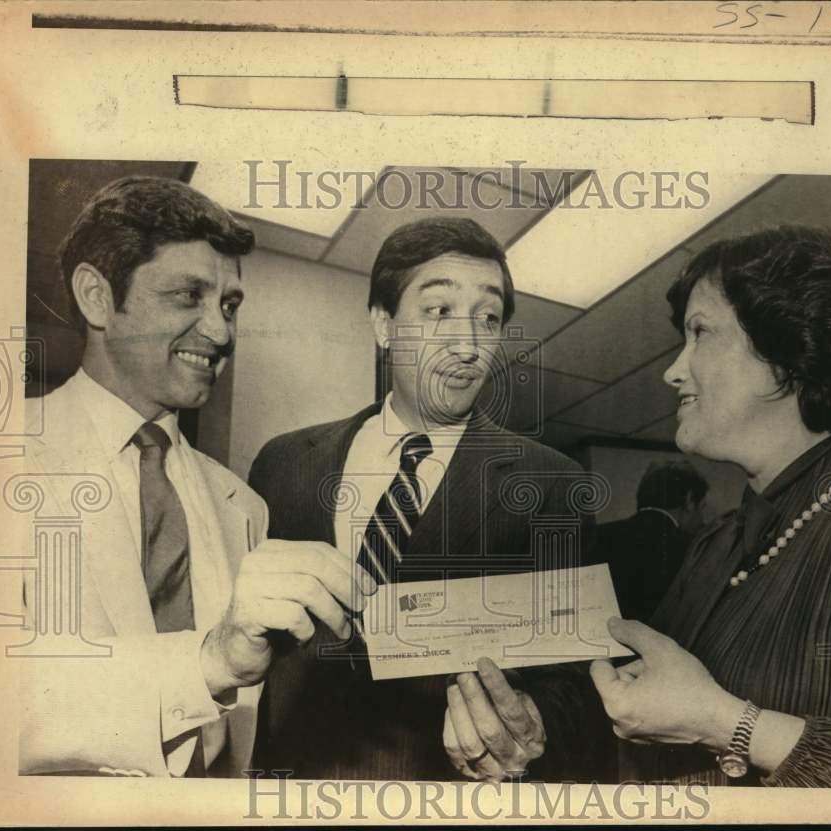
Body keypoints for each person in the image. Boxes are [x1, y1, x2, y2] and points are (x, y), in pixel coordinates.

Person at [18, 176, 374, 777]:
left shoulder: (245, 505)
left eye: (229, 305)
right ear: (96, 297)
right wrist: (211, 663)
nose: (221, 332)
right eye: (189, 296)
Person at [248, 217, 597, 782]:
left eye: (488, 318)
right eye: (439, 312)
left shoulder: (550, 485)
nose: (468, 344)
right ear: (383, 324)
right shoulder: (284, 463)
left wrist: (527, 726)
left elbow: (573, 685)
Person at [590, 224, 831, 787]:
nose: (673, 370)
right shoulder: (717, 542)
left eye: (701, 333)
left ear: (793, 348)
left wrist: (725, 723)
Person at [594, 460, 708, 619]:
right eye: (702, 508)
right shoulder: (693, 548)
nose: (702, 520)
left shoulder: (596, 536)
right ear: (689, 500)